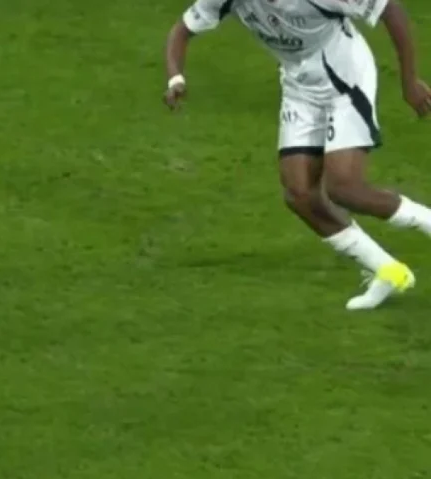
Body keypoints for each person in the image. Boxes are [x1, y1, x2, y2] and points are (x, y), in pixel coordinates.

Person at [164, 0, 431, 310]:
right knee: (299, 194)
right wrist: (175, 78)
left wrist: (409, 81)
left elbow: (390, 9)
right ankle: (386, 270)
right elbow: (182, 30)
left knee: (344, 188)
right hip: (300, 87)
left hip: (346, 79)